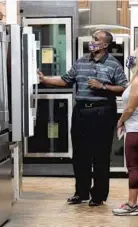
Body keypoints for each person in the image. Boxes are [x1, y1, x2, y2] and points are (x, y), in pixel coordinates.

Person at [37, 30, 128, 206]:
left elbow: (124, 88)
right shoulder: (81, 62)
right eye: (92, 38)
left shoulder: (113, 64)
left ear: (105, 45)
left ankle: (98, 196)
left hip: (102, 113)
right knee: (80, 155)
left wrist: (103, 86)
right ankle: (81, 192)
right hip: (80, 113)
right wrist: (45, 79)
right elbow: (65, 80)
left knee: (100, 156)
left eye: (96, 39)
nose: (92, 41)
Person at [112, 47, 138, 216]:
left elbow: (130, 108)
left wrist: (120, 121)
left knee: (133, 167)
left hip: (136, 130)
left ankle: (131, 205)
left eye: (133, 56)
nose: (130, 58)